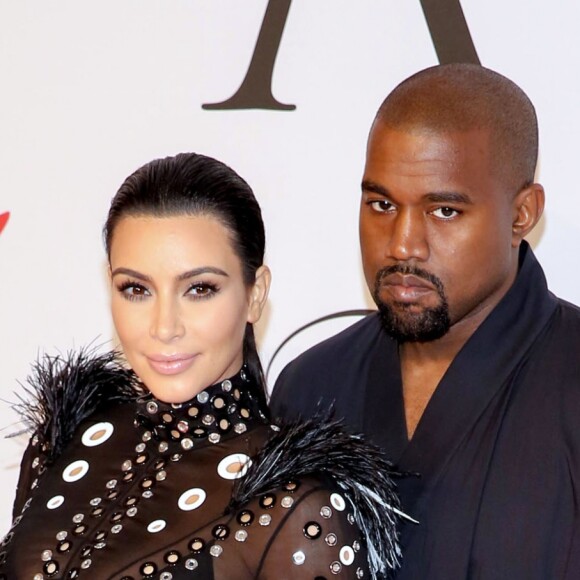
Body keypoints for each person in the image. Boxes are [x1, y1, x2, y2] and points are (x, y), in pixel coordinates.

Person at [0, 153, 402, 579]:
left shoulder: (293, 507)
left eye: (199, 289)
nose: (164, 327)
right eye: (136, 289)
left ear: (255, 294)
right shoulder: (67, 439)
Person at [270, 63, 580, 579]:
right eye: (381, 204)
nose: (402, 244)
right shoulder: (310, 387)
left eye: (444, 211)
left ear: (522, 214)